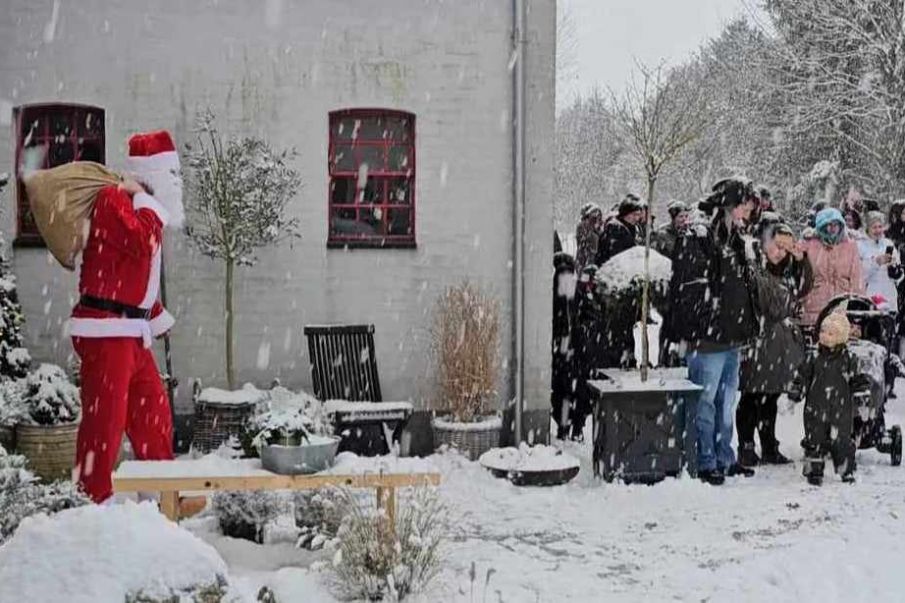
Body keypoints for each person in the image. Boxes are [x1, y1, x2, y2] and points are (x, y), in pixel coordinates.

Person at [69, 130, 183, 503]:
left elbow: (135, 278)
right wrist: (147, 203)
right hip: (105, 331)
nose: (176, 187)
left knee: (154, 413)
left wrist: (156, 316)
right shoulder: (113, 199)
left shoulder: (143, 210)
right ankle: (91, 501)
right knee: (105, 424)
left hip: (131, 332)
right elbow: (139, 244)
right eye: (173, 177)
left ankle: (163, 498)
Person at [670, 177, 759, 485]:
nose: (748, 210)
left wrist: (745, 325)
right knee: (705, 403)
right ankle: (705, 459)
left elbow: (742, 287)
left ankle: (724, 456)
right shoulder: (700, 235)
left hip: (730, 337)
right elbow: (693, 289)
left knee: (725, 402)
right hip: (707, 339)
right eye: (745, 203)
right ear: (730, 204)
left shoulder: (734, 237)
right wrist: (710, 322)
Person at [738, 221, 813, 467]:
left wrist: (802, 261)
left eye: (786, 247)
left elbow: (802, 289)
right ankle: (746, 446)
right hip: (759, 341)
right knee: (751, 396)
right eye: (777, 245)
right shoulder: (755, 269)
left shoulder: (786, 270)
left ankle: (769, 444)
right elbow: (772, 306)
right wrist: (789, 303)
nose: (780, 252)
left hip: (778, 344)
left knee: (770, 397)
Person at [790, 312, 869, 485]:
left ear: (841, 338)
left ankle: (845, 469)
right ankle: (814, 471)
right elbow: (802, 377)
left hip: (840, 412)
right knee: (814, 441)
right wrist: (795, 392)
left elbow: (857, 379)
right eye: (823, 331)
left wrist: (862, 394)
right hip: (815, 410)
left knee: (842, 442)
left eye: (831, 333)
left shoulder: (849, 359)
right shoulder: (813, 357)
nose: (825, 336)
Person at [800, 208, 864, 328]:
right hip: (814, 305)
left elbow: (857, 278)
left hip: (842, 305)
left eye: (836, 224)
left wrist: (857, 306)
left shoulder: (850, 246)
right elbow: (801, 277)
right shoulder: (809, 245)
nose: (832, 228)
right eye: (828, 224)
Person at [551, 252, 578, 439]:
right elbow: (568, 317)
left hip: (560, 344)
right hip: (566, 344)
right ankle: (565, 425)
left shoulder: (557, 278)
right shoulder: (566, 278)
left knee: (562, 387)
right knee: (567, 388)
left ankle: (563, 424)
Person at [858, 211, 902, 311]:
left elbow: (898, 276)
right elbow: (860, 275)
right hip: (870, 296)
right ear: (867, 229)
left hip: (889, 295)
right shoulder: (860, 246)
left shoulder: (888, 243)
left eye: (880, 226)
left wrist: (894, 268)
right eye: (874, 227)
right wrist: (876, 263)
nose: (878, 230)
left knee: (889, 324)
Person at [595, 194, 643, 266]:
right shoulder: (616, 228)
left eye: (638, 215)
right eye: (634, 214)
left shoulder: (632, 228)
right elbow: (616, 255)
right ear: (625, 213)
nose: (636, 218)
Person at [574, 203, 602, 272]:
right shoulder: (584, 229)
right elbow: (591, 251)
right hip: (586, 269)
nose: (598, 221)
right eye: (594, 218)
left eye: (599, 218)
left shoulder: (597, 231)